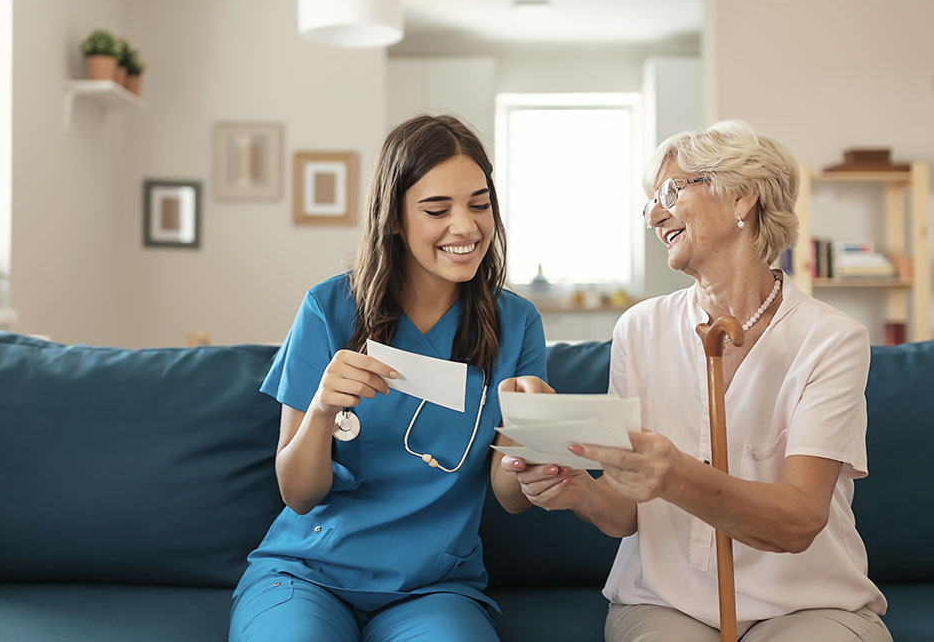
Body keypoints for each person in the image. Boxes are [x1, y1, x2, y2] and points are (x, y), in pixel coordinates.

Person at [501, 121, 891, 641]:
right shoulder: (639, 329)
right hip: (667, 603)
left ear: (742, 197)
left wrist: (677, 475)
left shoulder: (831, 339)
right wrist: (577, 491)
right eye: (649, 204)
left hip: (807, 604)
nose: (655, 216)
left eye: (670, 192)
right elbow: (626, 513)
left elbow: (799, 520)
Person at [230, 114, 547, 642]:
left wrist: (534, 433)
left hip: (434, 587)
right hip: (308, 574)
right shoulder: (328, 309)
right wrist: (323, 412)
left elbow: (510, 498)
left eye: (479, 203)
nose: (466, 227)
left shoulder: (516, 324)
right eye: (436, 209)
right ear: (395, 217)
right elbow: (298, 493)